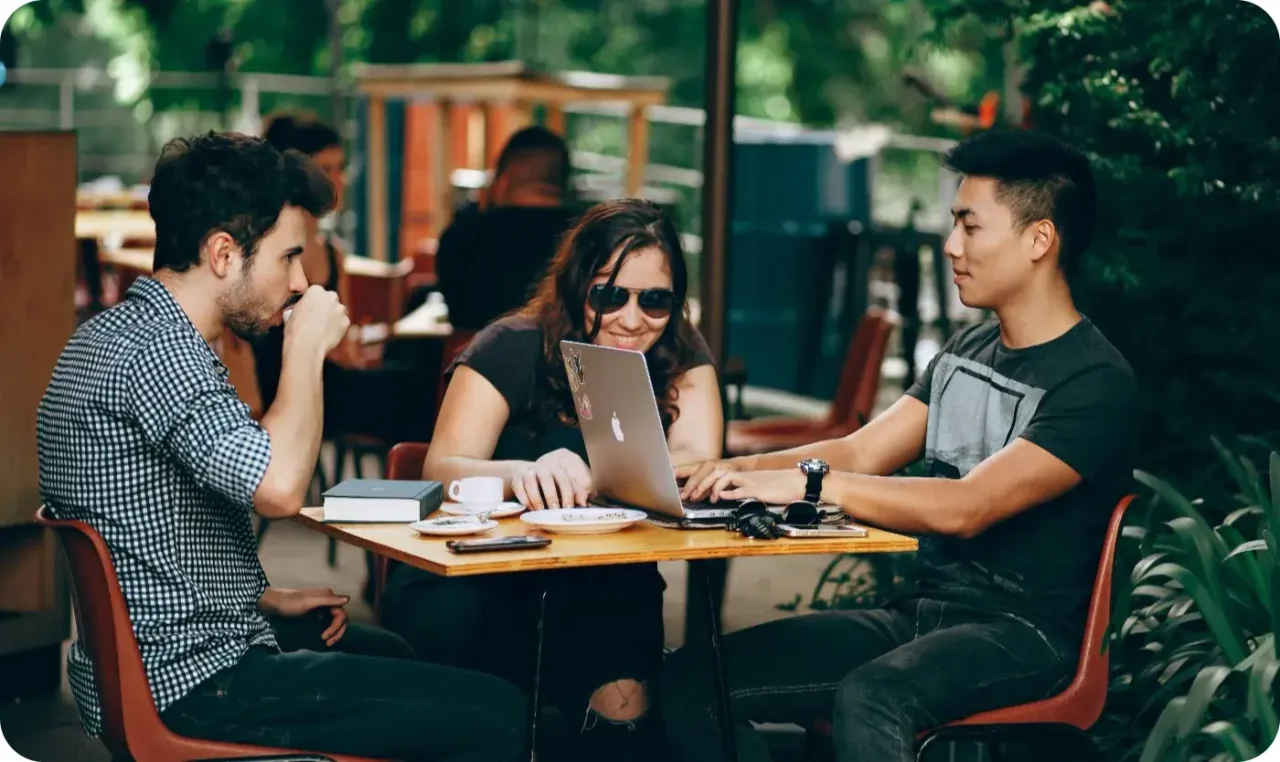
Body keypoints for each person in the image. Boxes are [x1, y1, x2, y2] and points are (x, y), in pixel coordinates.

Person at [36, 131, 526, 762]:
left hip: (161, 661)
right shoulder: (159, 353)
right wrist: (304, 351)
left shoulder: (123, 334)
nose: (300, 282)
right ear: (222, 253)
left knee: (393, 652)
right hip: (195, 684)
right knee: (498, 713)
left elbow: (145, 523)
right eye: (288, 257)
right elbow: (280, 489)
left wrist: (255, 595)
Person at [660, 129, 1139, 762]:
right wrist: (725, 470)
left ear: (1039, 240)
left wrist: (809, 483)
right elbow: (860, 453)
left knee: (873, 696)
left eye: (971, 226)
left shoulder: (1094, 381)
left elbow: (968, 505)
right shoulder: (965, 352)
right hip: (921, 616)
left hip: (1026, 635)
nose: (951, 246)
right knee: (690, 683)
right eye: (953, 224)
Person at [380, 198, 724, 762]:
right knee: (493, 709)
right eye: (610, 296)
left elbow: (694, 459)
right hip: (480, 579)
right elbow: (441, 469)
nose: (633, 319)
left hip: (602, 582)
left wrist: (616, 470)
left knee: (625, 718)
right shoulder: (511, 344)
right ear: (575, 286)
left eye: (655, 300)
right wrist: (523, 474)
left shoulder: (678, 351)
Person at [435, 125, 580, 331]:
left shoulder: (461, 236)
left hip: (475, 359)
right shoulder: (585, 237)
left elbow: (458, 316)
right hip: (561, 359)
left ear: (502, 180)